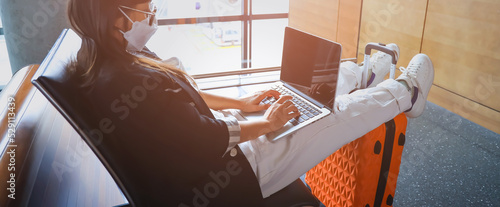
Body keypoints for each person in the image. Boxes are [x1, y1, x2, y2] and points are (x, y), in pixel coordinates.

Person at [66, 0, 434, 206]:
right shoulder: (124, 80)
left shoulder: (112, 53)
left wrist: (243, 104)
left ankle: (360, 75)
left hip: (212, 148)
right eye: (147, 7)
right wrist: (268, 124)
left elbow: (181, 92)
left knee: (300, 94)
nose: (153, 12)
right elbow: (202, 139)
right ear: (119, 15)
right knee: (328, 116)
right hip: (226, 175)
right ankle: (407, 93)